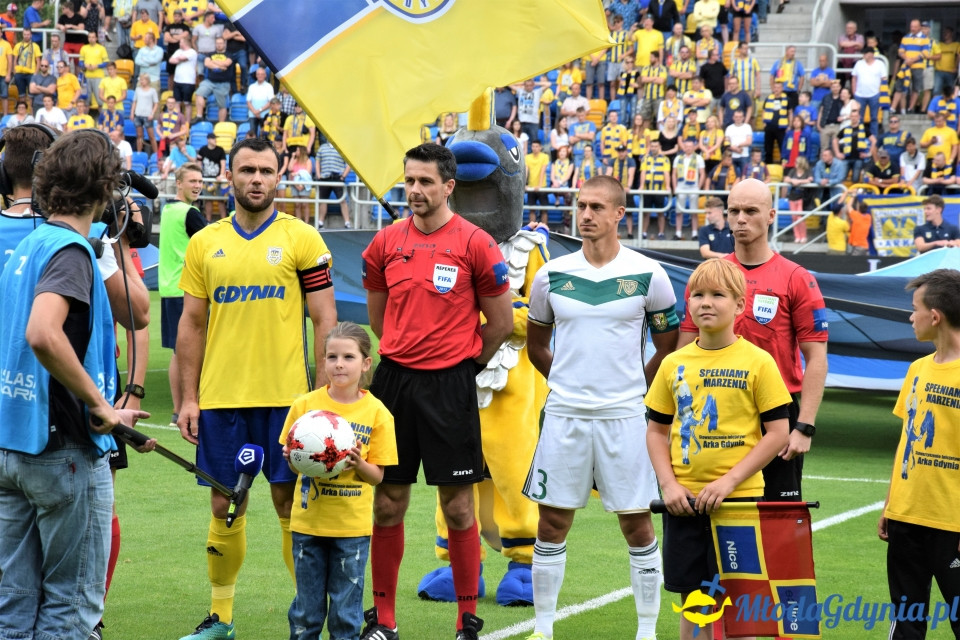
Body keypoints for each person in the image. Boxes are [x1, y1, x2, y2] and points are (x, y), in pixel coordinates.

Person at [176, 137, 338, 640]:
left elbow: (324, 317)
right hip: (222, 401)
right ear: (230, 176)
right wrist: (187, 398)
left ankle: (310, 615)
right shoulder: (206, 242)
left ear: (279, 176)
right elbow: (191, 325)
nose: (256, 179)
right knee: (227, 506)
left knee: (291, 506)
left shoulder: (303, 238)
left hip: (287, 402)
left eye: (266, 171)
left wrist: (328, 395)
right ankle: (220, 617)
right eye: (246, 170)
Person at [0, 128, 153, 640]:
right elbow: (43, 333)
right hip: (63, 450)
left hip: (13, 446)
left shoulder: (32, 243)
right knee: (70, 611)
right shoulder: (70, 250)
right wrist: (99, 403)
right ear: (106, 190)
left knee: (13, 611)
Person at [359, 143, 514, 640]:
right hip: (395, 384)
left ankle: (466, 620)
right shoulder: (384, 243)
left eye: (426, 181)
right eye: (409, 180)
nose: (415, 190)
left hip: (451, 385)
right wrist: (406, 351)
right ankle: (384, 620)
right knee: (388, 502)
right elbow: (379, 317)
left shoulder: (476, 243)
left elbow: (502, 322)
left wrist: (462, 366)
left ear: (449, 187)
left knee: (458, 506)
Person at [522, 174, 678, 640]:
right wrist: (570, 385)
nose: (585, 214)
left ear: (618, 215)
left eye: (595, 206)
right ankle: (543, 629)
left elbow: (668, 347)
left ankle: (646, 631)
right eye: (580, 205)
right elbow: (536, 346)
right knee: (551, 522)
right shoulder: (551, 274)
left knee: (636, 523)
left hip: (626, 418)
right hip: (565, 416)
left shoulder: (651, 275)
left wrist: (634, 391)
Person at [646, 258, 791, 640]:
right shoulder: (673, 363)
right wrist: (669, 486)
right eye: (697, 295)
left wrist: (728, 483)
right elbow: (656, 432)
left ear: (740, 305)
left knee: (740, 606)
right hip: (684, 503)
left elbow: (778, 433)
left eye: (717, 295)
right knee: (695, 604)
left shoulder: (759, 362)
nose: (705, 302)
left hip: (739, 503)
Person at [677, 179, 829, 502]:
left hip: (776, 411)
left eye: (750, 211)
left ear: (771, 215)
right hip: (716, 406)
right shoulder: (707, 278)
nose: (741, 219)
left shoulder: (797, 278)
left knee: (777, 527)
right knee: (711, 510)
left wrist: (804, 426)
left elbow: (816, 357)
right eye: (734, 211)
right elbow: (685, 352)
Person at [279, 322, 398, 640]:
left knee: (346, 616)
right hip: (308, 527)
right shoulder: (304, 408)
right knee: (306, 613)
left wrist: (359, 463)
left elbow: (378, 477)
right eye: (331, 357)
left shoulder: (377, 413)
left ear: (366, 363)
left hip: (352, 530)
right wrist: (293, 459)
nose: (339, 364)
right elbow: (293, 465)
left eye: (348, 356)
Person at [878, 269, 960, 640]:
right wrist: (890, 504)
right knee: (906, 621)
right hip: (906, 518)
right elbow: (906, 441)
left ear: (936, 316)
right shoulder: (917, 369)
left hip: (952, 522)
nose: (910, 317)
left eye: (914, 309)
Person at [158, 162, 207, 431]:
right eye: (192, 181)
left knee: (178, 352)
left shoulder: (167, 210)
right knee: (188, 350)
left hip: (169, 288)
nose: (198, 185)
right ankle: (184, 407)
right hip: (185, 290)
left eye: (200, 181)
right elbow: (212, 244)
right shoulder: (190, 213)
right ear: (179, 183)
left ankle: (178, 411)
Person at [194, 36, 235, 123]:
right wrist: (220, 66)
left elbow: (227, 63)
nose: (219, 45)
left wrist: (213, 62)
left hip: (223, 83)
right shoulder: (210, 54)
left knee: (222, 105)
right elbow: (206, 63)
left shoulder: (229, 54)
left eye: (220, 43)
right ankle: (199, 116)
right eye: (217, 43)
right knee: (199, 93)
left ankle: (220, 124)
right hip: (210, 81)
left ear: (224, 44)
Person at [315, 138, 352, 229]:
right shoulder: (322, 148)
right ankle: (320, 222)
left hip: (337, 178)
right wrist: (319, 176)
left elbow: (349, 163)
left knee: (343, 200)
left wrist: (343, 176)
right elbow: (317, 162)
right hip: (324, 178)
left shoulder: (341, 148)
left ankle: (347, 222)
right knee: (323, 201)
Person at [672, 137, 704, 240]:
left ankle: (694, 233)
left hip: (693, 187)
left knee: (694, 211)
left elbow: (702, 174)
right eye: (686, 146)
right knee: (679, 211)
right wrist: (675, 187)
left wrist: (699, 187)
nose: (688, 148)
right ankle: (678, 233)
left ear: (694, 147)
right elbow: (674, 174)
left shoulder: (698, 158)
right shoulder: (678, 158)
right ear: (683, 147)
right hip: (681, 187)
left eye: (690, 146)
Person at [852, 46, 888, 138]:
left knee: (874, 118)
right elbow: (854, 78)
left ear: (871, 54)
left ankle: (873, 138)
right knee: (859, 118)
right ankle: (859, 136)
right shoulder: (859, 63)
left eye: (866, 53)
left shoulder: (880, 64)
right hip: (860, 95)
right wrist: (854, 92)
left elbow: (884, 79)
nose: (864, 56)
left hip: (875, 94)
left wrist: (882, 94)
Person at [196, 133, 227, 220]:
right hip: (206, 179)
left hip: (218, 180)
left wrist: (221, 175)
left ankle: (223, 221)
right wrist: (199, 175)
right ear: (208, 139)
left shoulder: (220, 150)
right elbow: (198, 163)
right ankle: (208, 221)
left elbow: (223, 164)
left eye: (215, 139)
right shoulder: (202, 150)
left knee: (221, 201)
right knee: (208, 201)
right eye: (213, 139)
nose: (215, 140)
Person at [169, 33, 198, 122]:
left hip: (188, 82)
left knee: (187, 104)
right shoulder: (178, 51)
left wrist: (178, 59)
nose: (179, 43)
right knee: (177, 103)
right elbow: (171, 60)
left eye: (180, 42)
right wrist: (179, 59)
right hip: (177, 81)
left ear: (185, 42)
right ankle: (177, 122)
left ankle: (187, 123)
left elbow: (182, 58)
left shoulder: (192, 52)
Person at [784, 156, 815, 243]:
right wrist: (792, 180)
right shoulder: (793, 171)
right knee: (794, 217)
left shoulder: (807, 171)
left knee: (799, 217)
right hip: (792, 197)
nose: (795, 164)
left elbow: (810, 180)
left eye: (797, 163)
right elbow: (786, 179)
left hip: (802, 197)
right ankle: (797, 236)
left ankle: (803, 236)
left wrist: (799, 182)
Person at [770, 45, 805, 112]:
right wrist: (773, 89)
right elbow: (772, 76)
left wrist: (799, 89)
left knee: (793, 111)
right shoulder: (778, 63)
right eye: (791, 51)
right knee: (779, 110)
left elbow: (802, 76)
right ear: (786, 52)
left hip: (793, 92)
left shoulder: (797, 63)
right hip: (781, 91)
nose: (793, 53)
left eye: (794, 51)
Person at [131, 73, 159, 154]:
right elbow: (134, 102)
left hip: (148, 115)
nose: (141, 81)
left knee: (151, 136)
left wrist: (152, 113)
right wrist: (132, 113)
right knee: (139, 135)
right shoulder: (137, 90)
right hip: (138, 114)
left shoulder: (152, 91)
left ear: (147, 80)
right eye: (141, 80)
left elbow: (156, 103)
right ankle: (139, 152)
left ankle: (156, 154)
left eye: (143, 80)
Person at [525, 138, 550, 224]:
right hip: (531, 187)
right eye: (533, 146)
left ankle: (544, 229)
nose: (535, 148)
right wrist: (525, 184)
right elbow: (526, 172)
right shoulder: (527, 157)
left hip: (542, 186)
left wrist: (539, 185)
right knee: (531, 210)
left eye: (537, 146)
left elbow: (542, 171)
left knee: (544, 210)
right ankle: (532, 230)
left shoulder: (545, 156)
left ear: (540, 147)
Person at [245, 66, 274, 137]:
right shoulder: (251, 87)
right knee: (252, 136)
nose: (260, 76)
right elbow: (248, 102)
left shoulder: (269, 86)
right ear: (256, 75)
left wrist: (258, 111)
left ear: (265, 75)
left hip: (264, 115)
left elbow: (271, 102)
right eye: (258, 74)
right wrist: (255, 112)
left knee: (265, 136)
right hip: (252, 115)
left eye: (262, 74)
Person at [12, 26, 39, 98]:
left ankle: (31, 109)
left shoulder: (35, 46)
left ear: (31, 35)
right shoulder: (17, 46)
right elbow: (15, 60)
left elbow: (38, 61)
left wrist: (36, 73)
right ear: (22, 35)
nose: (26, 36)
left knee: (31, 96)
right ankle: (22, 108)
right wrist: (15, 72)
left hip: (31, 73)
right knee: (21, 95)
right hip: (19, 73)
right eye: (25, 34)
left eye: (28, 34)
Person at [724, 109, 752, 176]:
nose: (738, 118)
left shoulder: (747, 127)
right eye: (736, 117)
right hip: (732, 156)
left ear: (743, 118)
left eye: (740, 117)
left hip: (744, 155)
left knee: (745, 176)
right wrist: (735, 149)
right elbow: (726, 142)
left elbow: (749, 142)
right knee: (731, 175)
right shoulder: (729, 128)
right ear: (733, 117)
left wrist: (737, 145)